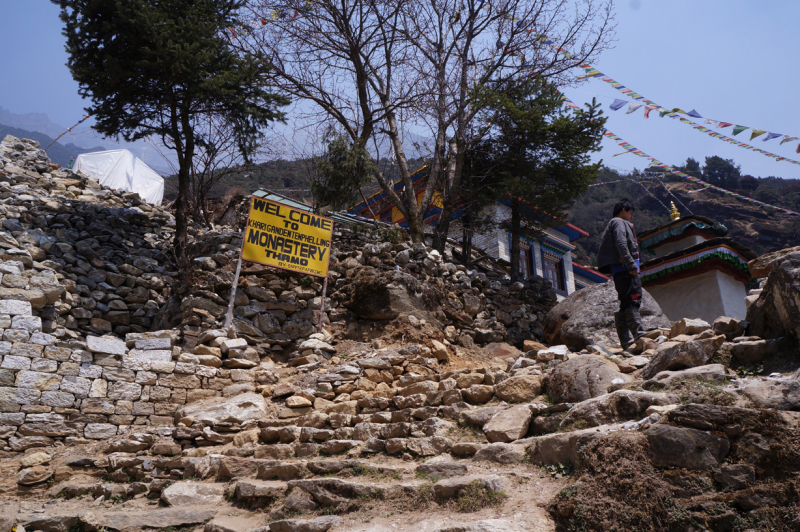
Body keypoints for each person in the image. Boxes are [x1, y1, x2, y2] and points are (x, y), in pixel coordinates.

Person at [596, 198, 646, 349]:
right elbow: (621, 242)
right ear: (624, 210)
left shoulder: (614, 223)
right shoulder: (619, 222)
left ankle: (625, 340)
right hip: (626, 268)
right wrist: (630, 262)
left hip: (619, 269)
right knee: (633, 299)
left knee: (624, 303)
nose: (632, 216)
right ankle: (639, 335)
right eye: (631, 212)